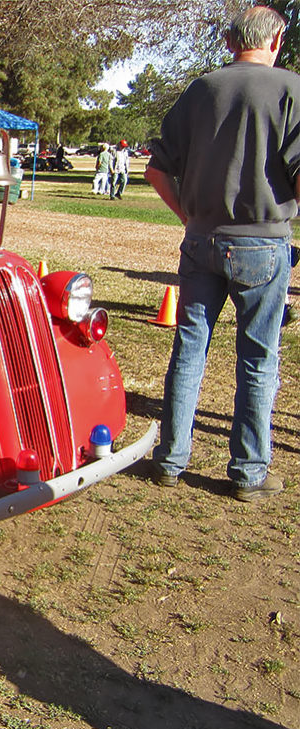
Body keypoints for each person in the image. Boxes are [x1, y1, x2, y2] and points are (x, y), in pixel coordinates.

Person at [144, 5, 300, 502]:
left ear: (233, 41)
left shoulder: (201, 90)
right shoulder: (290, 90)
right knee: (257, 357)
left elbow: (155, 171)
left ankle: (169, 459)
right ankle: (248, 472)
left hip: (201, 240)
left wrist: (189, 217)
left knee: (189, 349)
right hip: (263, 242)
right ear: (276, 39)